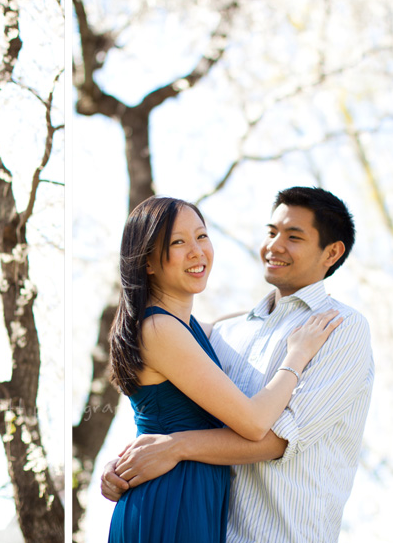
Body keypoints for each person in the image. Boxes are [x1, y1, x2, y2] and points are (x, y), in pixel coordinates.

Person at [102, 186, 374, 543]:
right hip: (203, 519)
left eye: (293, 236)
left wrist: (172, 446)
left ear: (332, 252)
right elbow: (168, 409)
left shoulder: (339, 328)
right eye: (271, 232)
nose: (275, 245)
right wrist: (130, 462)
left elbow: (277, 438)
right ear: (148, 261)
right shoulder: (225, 334)